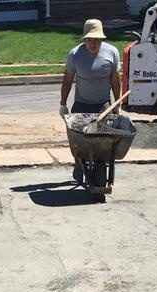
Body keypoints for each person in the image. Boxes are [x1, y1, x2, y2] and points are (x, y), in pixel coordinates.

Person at [59, 19, 121, 182]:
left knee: (102, 142)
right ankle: (79, 164)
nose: (93, 44)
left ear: (102, 39)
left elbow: (115, 80)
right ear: (85, 39)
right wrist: (63, 104)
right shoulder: (75, 55)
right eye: (90, 40)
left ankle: (100, 165)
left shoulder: (112, 52)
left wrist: (117, 104)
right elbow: (67, 81)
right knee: (80, 141)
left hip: (103, 106)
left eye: (97, 40)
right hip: (81, 105)